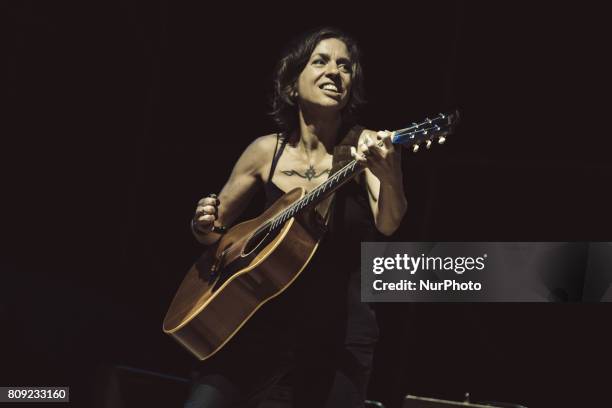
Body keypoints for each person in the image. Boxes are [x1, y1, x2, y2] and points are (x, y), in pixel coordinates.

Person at [184, 27, 407, 408]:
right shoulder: (264, 152)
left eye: (345, 66)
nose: (335, 72)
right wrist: (202, 225)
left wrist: (390, 172)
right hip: (260, 320)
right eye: (320, 61)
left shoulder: (366, 146)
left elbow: (389, 222)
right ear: (292, 84)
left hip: (338, 336)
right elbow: (215, 235)